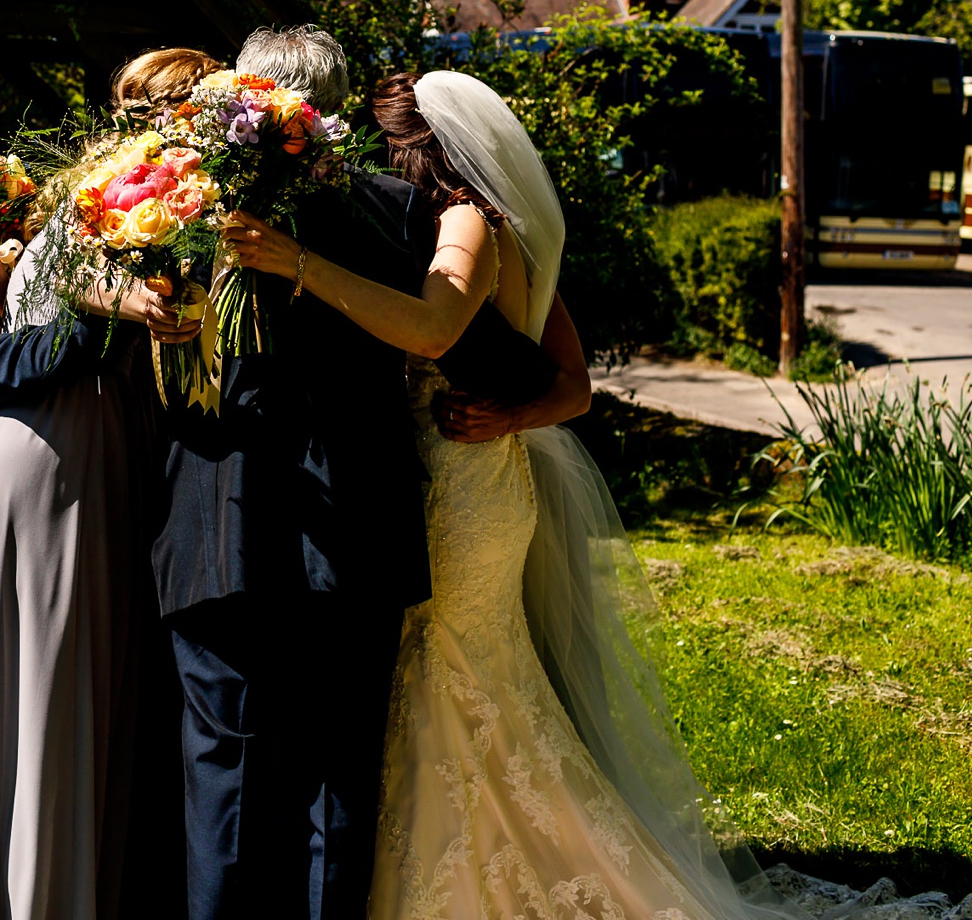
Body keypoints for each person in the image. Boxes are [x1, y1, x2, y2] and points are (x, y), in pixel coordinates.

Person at [222, 70, 801, 920]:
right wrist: (514, 414)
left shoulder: (461, 223)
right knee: (478, 677)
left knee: (439, 673)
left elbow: (430, 328)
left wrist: (297, 262)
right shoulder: (518, 237)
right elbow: (575, 389)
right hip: (489, 477)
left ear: (426, 150)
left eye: (393, 150)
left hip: (452, 486)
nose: (385, 168)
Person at [153, 27, 567, 920]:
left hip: (221, 519)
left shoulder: (166, 203)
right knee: (336, 782)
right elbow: (508, 358)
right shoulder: (401, 212)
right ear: (328, 112)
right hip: (353, 517)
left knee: (228, 771)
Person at [0, 48, 216, 920]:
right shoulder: (131, 202)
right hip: (59, 456)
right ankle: (46, 894)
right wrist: (111, 299)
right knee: (50, 685)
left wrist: (17, 273)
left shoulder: (93, 201)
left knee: (11, 686)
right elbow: (88, 293)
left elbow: (41, 304)